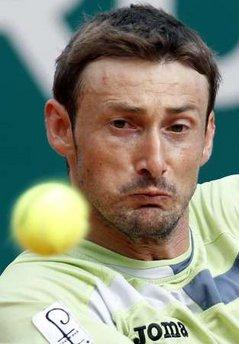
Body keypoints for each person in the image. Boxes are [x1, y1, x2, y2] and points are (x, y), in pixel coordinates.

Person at [0, 4, 239, 343]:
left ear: (208, 136)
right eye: (122, 124)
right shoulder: (30, 301)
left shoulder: (233, 208)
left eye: (178, 127)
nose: (154, 162)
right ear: (61, 128)